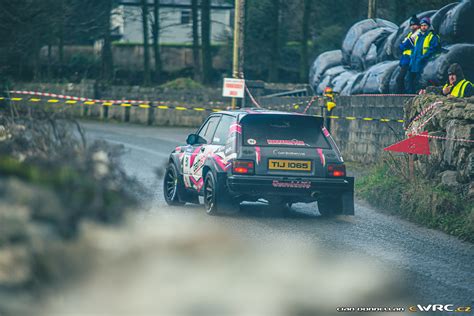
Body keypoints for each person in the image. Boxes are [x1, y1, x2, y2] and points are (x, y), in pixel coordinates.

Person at [407, 17, 440, 94]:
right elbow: (414, 49)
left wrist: (423, 58)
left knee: (420, 82)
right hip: (414, 63)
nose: (423, 27)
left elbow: (432, 49)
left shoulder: (432, 36)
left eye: (425, 25)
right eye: (422, 25)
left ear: (428, 26)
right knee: (410, 81)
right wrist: (411, 60)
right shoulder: (418, 37)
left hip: (424, 63)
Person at [396, 15, 420, 94]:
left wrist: (404, 45)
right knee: (407, 79)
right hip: (406, 59)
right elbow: (401, 46)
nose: (413, 26)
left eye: (414, 24)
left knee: (401, 78)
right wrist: (404, 45)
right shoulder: (410, 34)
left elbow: (406, 44)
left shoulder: (418, 34)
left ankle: (401, 94)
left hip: (411, 59)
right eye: (411, 25)